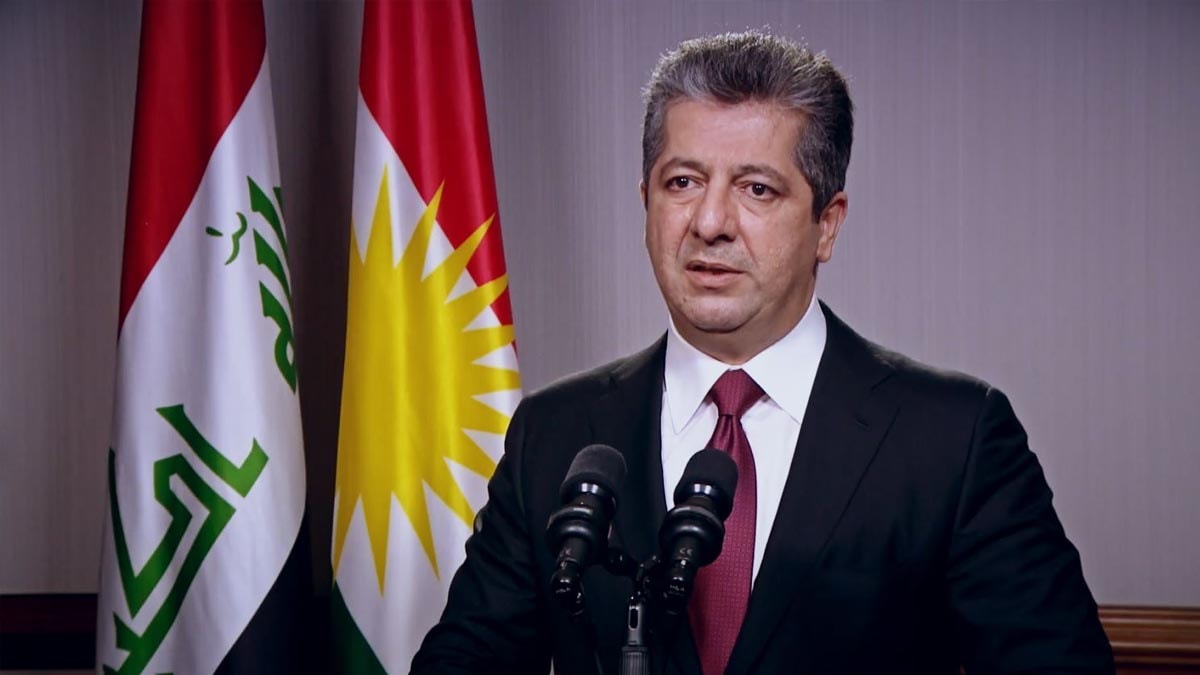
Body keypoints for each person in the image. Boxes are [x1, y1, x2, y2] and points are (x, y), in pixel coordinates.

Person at [411, 31, 1114, 675]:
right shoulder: (553, 434)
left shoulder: (955, 439)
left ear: (826, 225)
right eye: (682, 182)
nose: (710, 222)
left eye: (757, 189)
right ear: (646, 202)